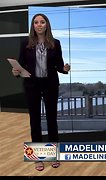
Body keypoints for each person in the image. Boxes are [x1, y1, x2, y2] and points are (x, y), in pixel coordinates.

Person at [11, 13, 70, 171]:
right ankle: (38, 158)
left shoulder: (55, 43)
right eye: (36, 22)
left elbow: (59, 65)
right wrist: (16, 71)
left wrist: (64, 69)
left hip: (50, 84)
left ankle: (53, 156)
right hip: (32, 85)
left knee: (52, 120)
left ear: (46, 25)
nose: (39, 25)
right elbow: (21, 64)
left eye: (42, 22)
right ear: (33, 25)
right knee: (35, 121)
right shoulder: (26, 43)